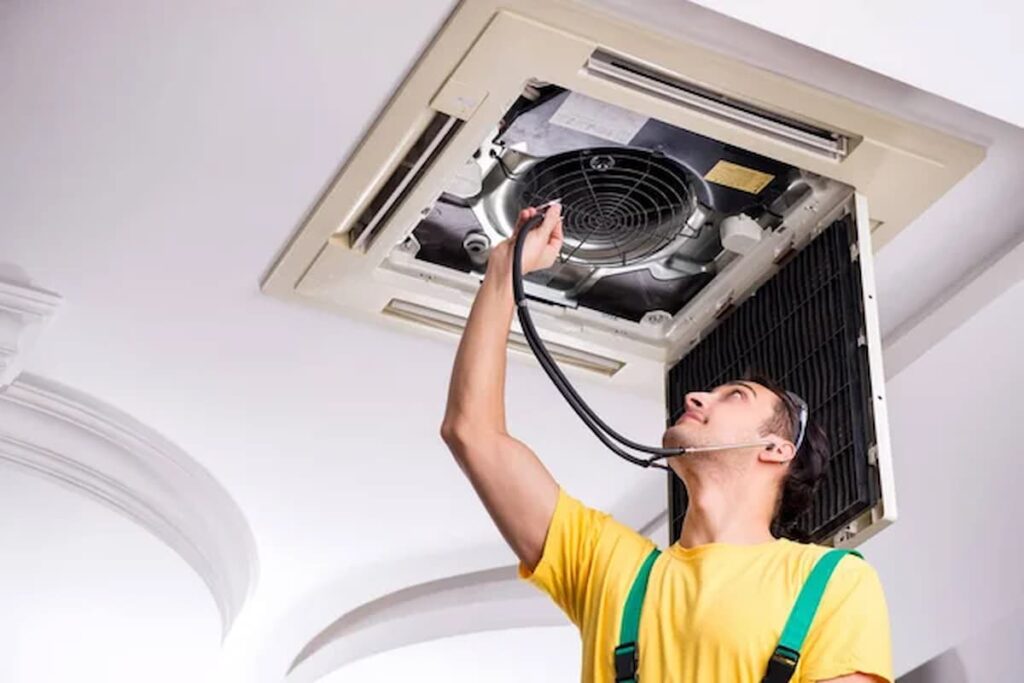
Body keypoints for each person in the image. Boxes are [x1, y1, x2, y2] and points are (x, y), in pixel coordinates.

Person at [440, 204, 892, 682]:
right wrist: (502, 271)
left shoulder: (830, 583)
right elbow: (472, 432)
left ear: (777, 449)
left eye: (734, 396)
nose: (695, 396)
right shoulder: (609, 567)